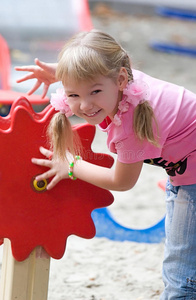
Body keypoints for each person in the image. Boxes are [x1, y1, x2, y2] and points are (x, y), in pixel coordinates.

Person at [15, 29, 196, 299]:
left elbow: (121, 181)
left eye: (95, 91)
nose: (85, 105)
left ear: (121, 80)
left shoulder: (131, 124)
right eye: (73, 94)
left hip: (190, 178)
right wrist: (59, 71)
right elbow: (105, 65)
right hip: (184, 169)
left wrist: (70, 166)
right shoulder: (122, 79)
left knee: (180, 273)